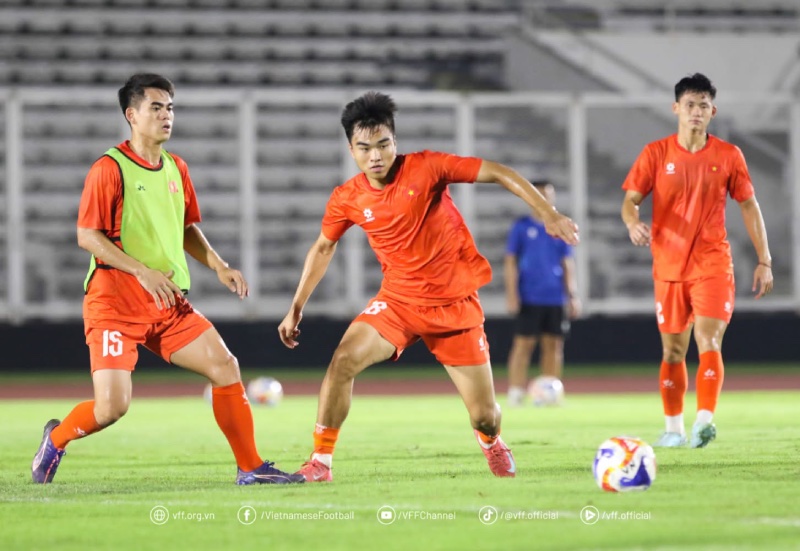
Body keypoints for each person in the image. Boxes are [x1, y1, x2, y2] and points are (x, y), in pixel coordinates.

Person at [278, 91, 579, 481]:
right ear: (351, 149)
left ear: (395, 142)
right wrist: (297, 305)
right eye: (365, 147)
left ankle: (491, 442)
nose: (376, 156)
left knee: (485, 416)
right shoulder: (347, 198)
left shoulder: (428, 167)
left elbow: (499, 172)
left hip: (453, 306)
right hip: (398, 303)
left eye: (383, 144)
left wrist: (548, 214)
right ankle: (320, 462)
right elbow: (323, 247)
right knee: (342, 361)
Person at [31, 73, 304, 485]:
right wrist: (141, 270)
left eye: (170, 107)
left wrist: (217, 264)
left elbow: (185, 227)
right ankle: (56, 439)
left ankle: (250, 468)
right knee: (112, 408)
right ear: (131, 115)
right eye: (155, 107)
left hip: (167, 302)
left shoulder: (176, 167)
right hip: (115, 304)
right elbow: (87, 235)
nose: (166, 115)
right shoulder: (109, 168)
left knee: (225, 367)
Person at [620, 73, 773, 449]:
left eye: (703, 105)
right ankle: (673, 429)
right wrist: (631, 222)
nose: (696, 112)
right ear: (676, 109)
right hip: (669, 267)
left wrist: (764, 259)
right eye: (689, 104)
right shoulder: (655, 153)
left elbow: (749, 205)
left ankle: (704, 422)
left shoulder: (728, 155)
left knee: (709, 340)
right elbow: (630, 200)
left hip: (712, 264)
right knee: (673, 351)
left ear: (712, 112)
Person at [504, 180, 581, 407]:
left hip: (554, 296)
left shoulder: (560, 226)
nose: (545, 200)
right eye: (540, 194)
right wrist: (512, 294)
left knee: (553, 345)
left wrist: (572, 295)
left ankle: (550, 392)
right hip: (529, 295)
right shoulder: (521, 227)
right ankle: (516, 392)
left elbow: (567, 263)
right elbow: (510, 262)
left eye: (548, 195)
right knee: (523, 345)